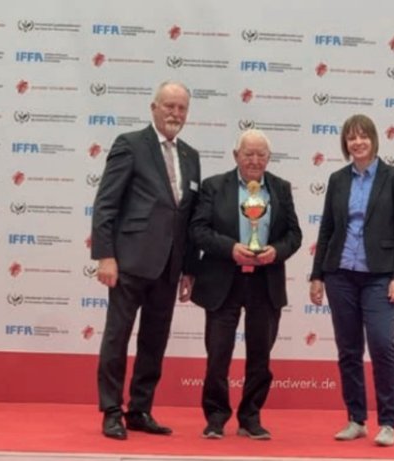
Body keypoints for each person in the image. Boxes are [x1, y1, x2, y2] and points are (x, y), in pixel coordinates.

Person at [91, 81, 201, 440]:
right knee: (117, 337)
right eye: (169, 106)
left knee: (155, 341)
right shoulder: (130, 144)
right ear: (153, 107)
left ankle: (140, 409)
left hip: (169, 266)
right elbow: (107, 203)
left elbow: (186, 217)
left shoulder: (190, 155)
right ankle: (111, 410)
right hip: (129, 260)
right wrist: (106, 255)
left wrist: (188, 268)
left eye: (181, 108)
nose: (175, 113)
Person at [309, 114, 394, 446]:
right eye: (351, 138)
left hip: (380, 277)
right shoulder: (337, 179)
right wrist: (317, 275)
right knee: (349, 350)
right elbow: (327, 229)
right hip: (340, 274)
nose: (357, 143)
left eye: (363, 136)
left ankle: (388, 422)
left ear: (373, 139)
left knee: (382, 345)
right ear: (345, 143)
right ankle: (356, 419)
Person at [190, 129, 302, 440]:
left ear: (268, 158)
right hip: (222, 280)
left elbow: (294, 235)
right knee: (218, 354)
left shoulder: (280, 188)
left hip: (265, 282)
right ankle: (215, 416)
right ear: (236, 155)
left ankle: (250, 417)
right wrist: (230, 249)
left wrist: (276, 252)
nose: (254, 160)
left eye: (261, 155)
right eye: (248, 154)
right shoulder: (214, 186)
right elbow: (198, 229)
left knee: (260, 356)